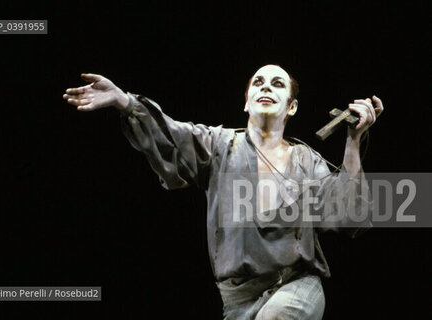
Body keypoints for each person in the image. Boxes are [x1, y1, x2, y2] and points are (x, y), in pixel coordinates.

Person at [63, 65, 384, 320]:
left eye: (277, 83)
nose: (266, 87)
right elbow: (172, 133)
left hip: (296, 285)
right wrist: (125, 101)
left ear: (292, 107)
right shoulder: (220, 145)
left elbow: (347, 214)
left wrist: (353, 141)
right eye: (258, 82)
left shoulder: (306, 161)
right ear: (246, 100)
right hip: (237, 300)